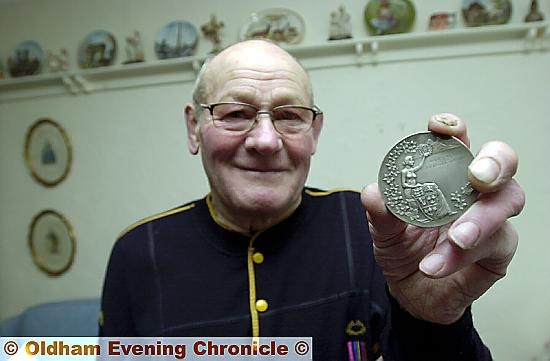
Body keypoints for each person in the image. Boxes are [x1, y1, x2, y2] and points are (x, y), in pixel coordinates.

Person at [99, 39, 525, 360]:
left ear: (314, 132)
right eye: (235, 114)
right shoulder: (137, 252)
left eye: (289, 116)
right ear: (194, 127)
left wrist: (434, 320)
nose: (266, 141)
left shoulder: (379, 234)